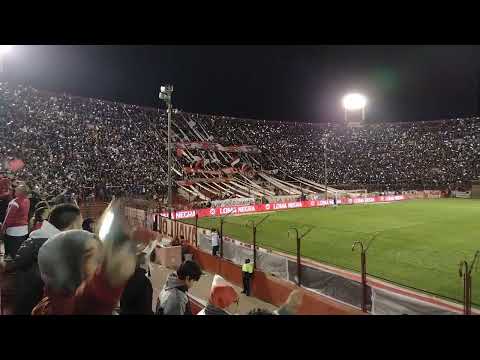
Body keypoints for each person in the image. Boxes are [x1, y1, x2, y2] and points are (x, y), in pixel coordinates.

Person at [0, 203, 83, 315]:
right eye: (80, 225)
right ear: (72, 227)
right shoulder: (56, 251)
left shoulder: (36, 239)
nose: (82, 230)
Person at [32, 229, 137, 315]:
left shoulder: (48, 304)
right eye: (92, 258)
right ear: (68, 265)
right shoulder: (63, 309)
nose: (102, 263)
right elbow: (89, 302)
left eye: (102, 255)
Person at [1, 183, 31, 259]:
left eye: (17, 189)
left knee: (11, 251)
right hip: (24, 230)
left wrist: (3, 229)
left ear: (21, 192)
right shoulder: (27, 200)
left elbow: (8, 218)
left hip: (12, 231)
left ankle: (9, 260)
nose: (15, 190)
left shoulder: (14, 203)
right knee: (19, 250)